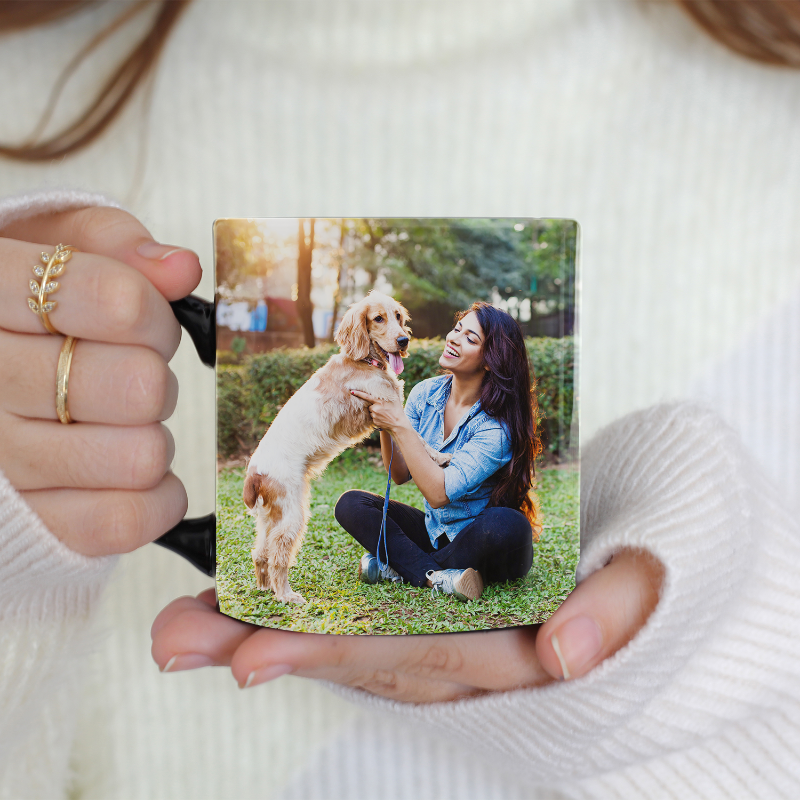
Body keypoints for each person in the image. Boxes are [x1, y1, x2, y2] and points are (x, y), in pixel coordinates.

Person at [2, 1, 800, 797]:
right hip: (392, 511)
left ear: (499, 358)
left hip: (481, 526)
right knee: (352, 508)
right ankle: (430, 577)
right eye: (437, 326)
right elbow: (388, 466)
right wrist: (18, 559)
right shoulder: (23, 102)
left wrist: (698, 685)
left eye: (460, 334)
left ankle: (427, 571)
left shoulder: (494, 418)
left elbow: (448, 486)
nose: (432, 336)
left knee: (492, 525)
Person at [336, 302, 541, 603]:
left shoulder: (496, 428)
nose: (454, 338)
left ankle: (402, 567)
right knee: (352, 504)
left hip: (480, 538)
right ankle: (440, 576)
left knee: (509, 524)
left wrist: (399, 424)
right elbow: (399, 473)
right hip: (434, 532)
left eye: (471, 338)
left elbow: (438, 494)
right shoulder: (425, 394)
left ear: (490, 361)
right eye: (457, 329)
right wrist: (384, 414)